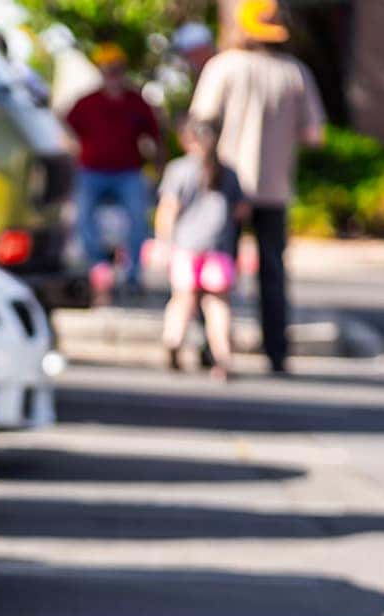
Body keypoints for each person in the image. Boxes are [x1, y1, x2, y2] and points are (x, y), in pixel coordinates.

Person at [189, 0, 325, 376]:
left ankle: (211, 346)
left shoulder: (224, 67)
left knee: (217, 270)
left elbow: (201, 123)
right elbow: (314, 134)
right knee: (273, 272)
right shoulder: (295, 73)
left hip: (225, 186)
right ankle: (276, 350)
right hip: (275, 187)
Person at [64, 42, 164, 298]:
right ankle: (99, 268)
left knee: (139, 222)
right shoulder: (87, 102)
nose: (112, 73)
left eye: (116, 68)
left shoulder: (136, 102)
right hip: (91, 171)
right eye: (107, 68)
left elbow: (154, 136)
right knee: (81, 218)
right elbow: (65, 128)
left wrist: (159, 167)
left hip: (128, 172)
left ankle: (133, 276)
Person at [157, 120, 246, 381]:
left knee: (182, 299)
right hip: (218, 246)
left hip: (186, 245)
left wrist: (164, 241)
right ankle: (223, 356)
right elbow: (241, 210)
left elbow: (168, 208)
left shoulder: (179, 170)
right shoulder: (228, 172)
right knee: (217, 303)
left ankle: (173, 339)